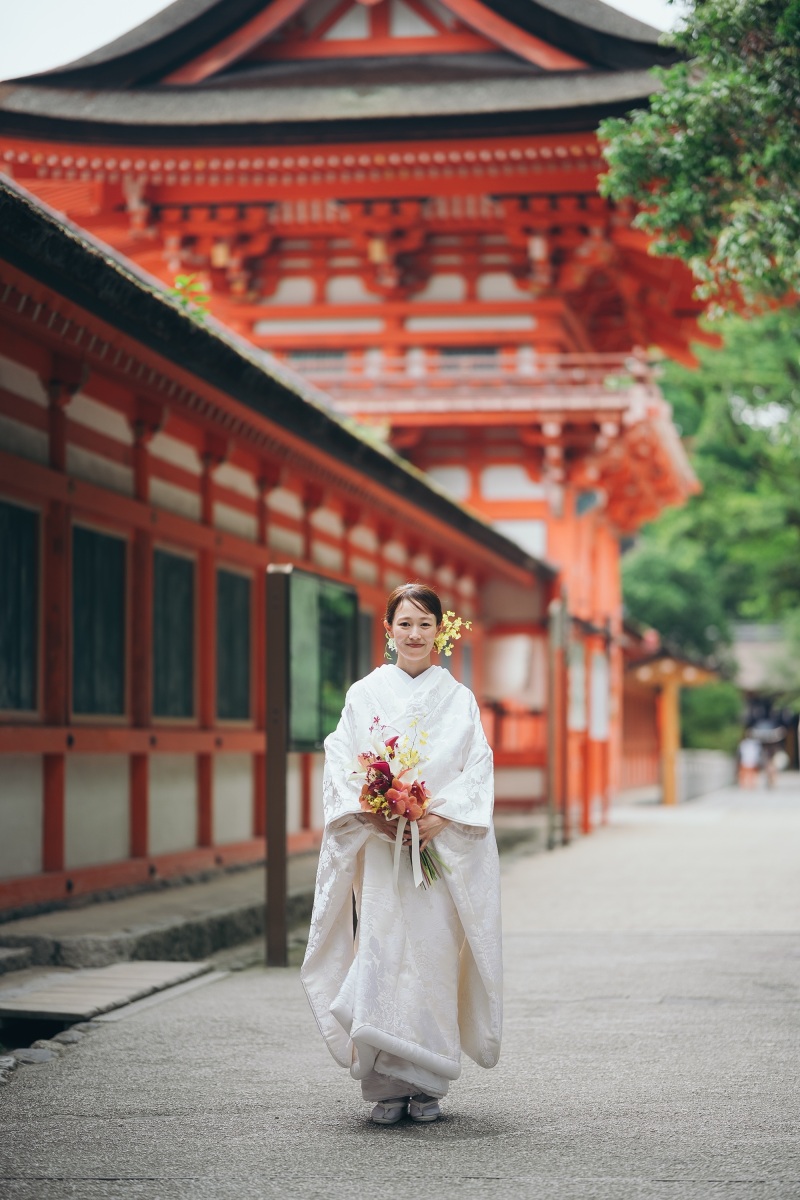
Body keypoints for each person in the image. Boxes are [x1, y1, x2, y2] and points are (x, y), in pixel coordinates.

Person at [301, 582, 502, 1125]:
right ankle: (386, 1084)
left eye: (425, 624)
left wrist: (441, 816)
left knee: (434, 955)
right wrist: (374, 811)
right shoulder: (363, 695)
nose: (415, 634)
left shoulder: (458, 698)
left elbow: (476, 767)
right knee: (384, 952)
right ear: (388, 630)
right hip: (385, 850)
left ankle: (428, 1080)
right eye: (405, 623)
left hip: (437, 848)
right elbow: (341, 758)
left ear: (442, 631)